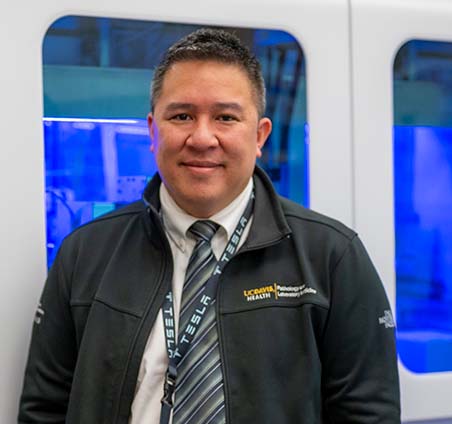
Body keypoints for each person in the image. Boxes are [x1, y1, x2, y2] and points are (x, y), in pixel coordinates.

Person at [19, 28, 400, 423]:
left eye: (225, 117)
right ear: (153, 130)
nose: (202, 138)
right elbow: (44, 408)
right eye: (182, 116)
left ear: (259, 135)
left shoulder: (332, 257)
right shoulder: (85, 252)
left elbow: (368, 413)